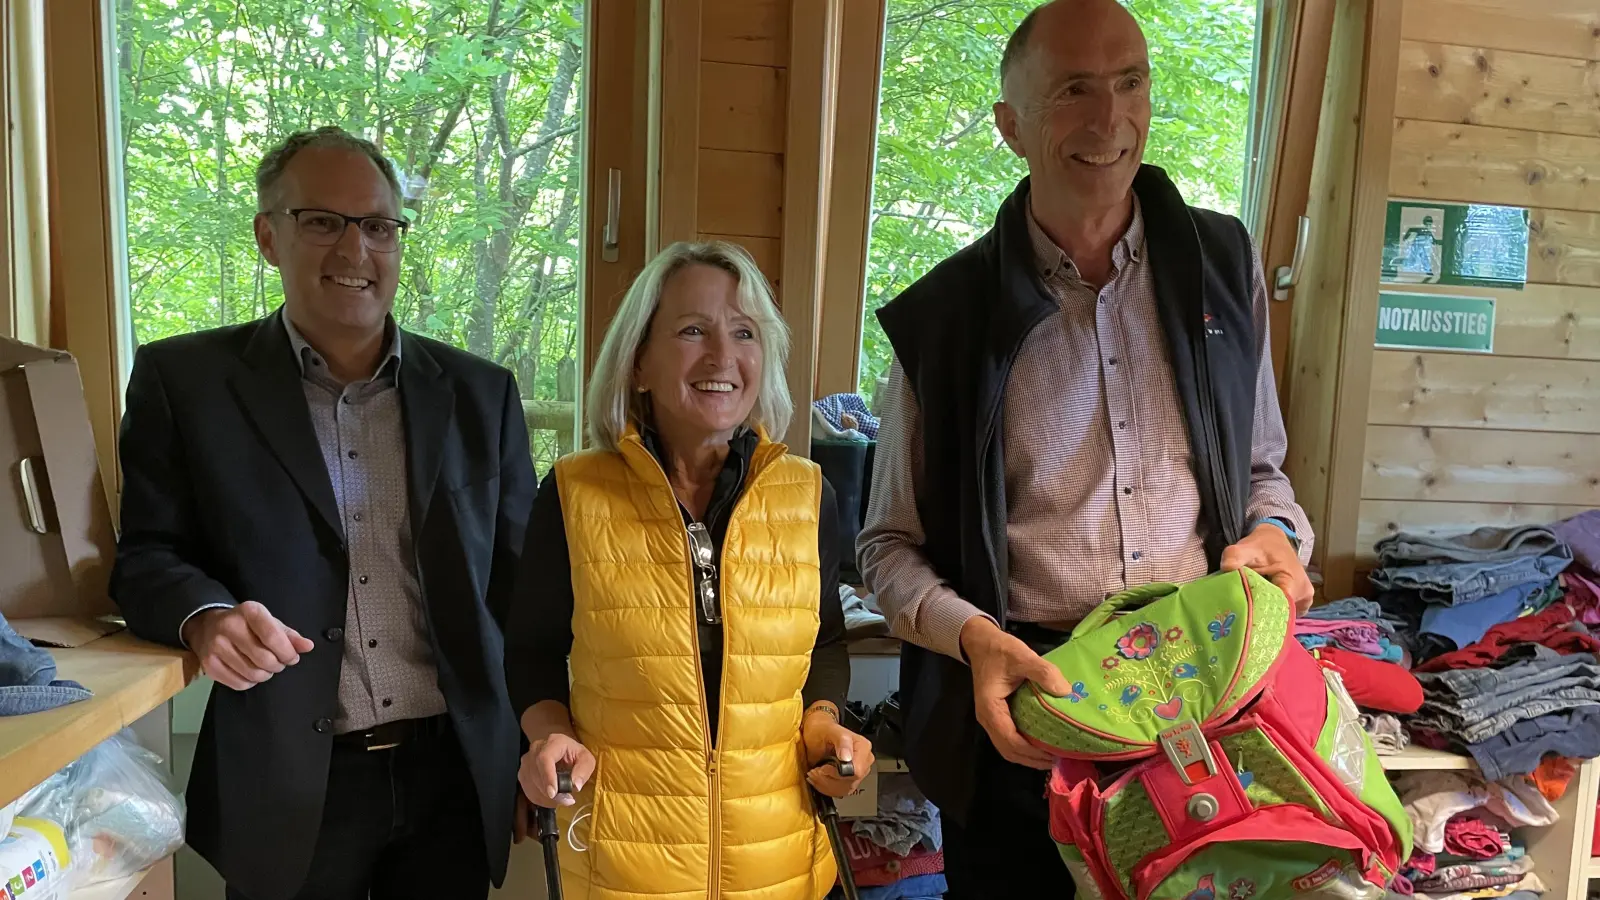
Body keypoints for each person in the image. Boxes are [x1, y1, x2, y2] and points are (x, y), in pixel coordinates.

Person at [856, 1, 1316, 895]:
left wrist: (1279, 537)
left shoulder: (1225, 265)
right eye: (1074, 91)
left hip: (1204, 707)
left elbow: (1266, 476)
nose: (1111, 118)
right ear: (1012, 128)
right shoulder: (942, 321)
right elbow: (886, 549)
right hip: (1027, 725)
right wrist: (976, 638)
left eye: (1130, 82)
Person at [111, 127, 535, 900]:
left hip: (451, 770)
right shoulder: (187, 383)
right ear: (269, 237)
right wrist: (205, 616)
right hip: (292, 781)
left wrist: (525, 739)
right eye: (323, 222)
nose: (356, 250)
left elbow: (520, 590)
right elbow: (144, 555)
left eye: (378, 226)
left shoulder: (482, 395)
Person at [506, 240, 872, 899]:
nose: (722, 357)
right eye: (692, 330)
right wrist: (548, 735)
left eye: (744, 332)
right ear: (640, 361)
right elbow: (530, 652)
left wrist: (823, 721)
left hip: (780, 867)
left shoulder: (810, 494)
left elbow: (825, 643)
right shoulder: (572, 493)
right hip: (624, 866)